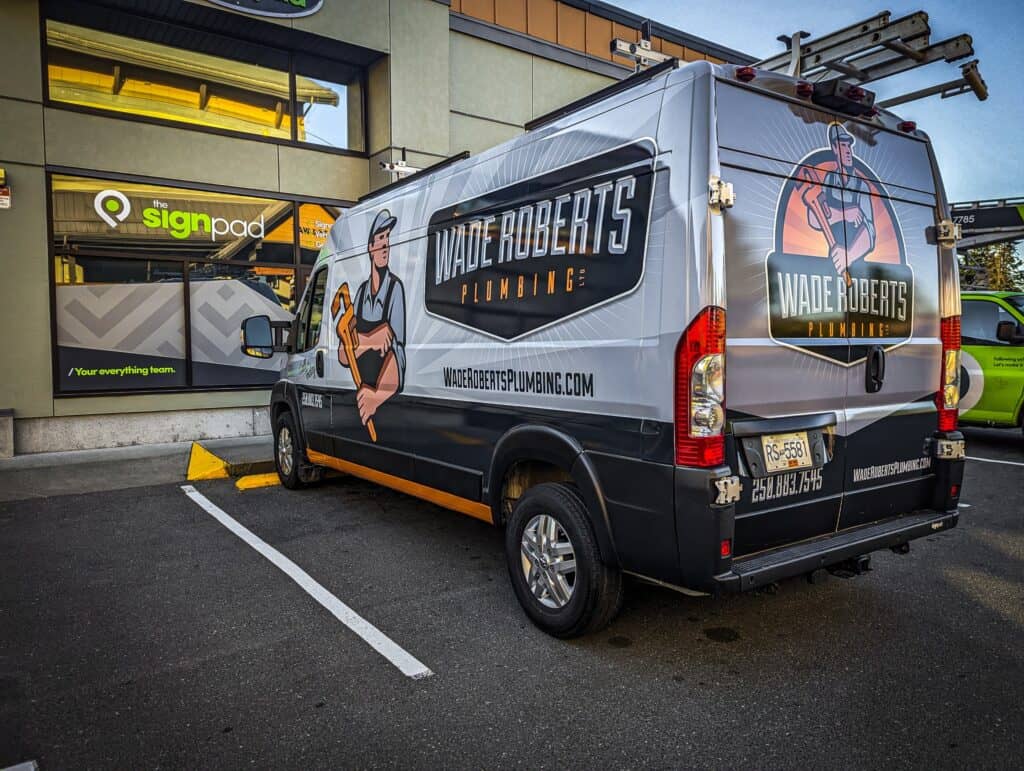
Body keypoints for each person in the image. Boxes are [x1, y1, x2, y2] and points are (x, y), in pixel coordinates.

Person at [338, 208, 406, 427]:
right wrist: (371, 340)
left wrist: (376, 396)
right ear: (370, 248)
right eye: (380, 238)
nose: (385, 244)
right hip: (362, 400)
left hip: (384, 404)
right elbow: (342, 353)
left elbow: (399, 354)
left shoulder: (395, 290)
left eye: (387, 238)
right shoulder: (360, 295)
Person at [807, 123, 877, 275]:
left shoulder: (862, 186)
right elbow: (814, 217)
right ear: (834, 149)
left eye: (849, 146)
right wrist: (843, 214)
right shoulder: (829, 179)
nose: (848, 151)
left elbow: (870, 230)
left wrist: (849, 255)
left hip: (858, 270)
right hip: (830, 266)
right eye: (843, 146)